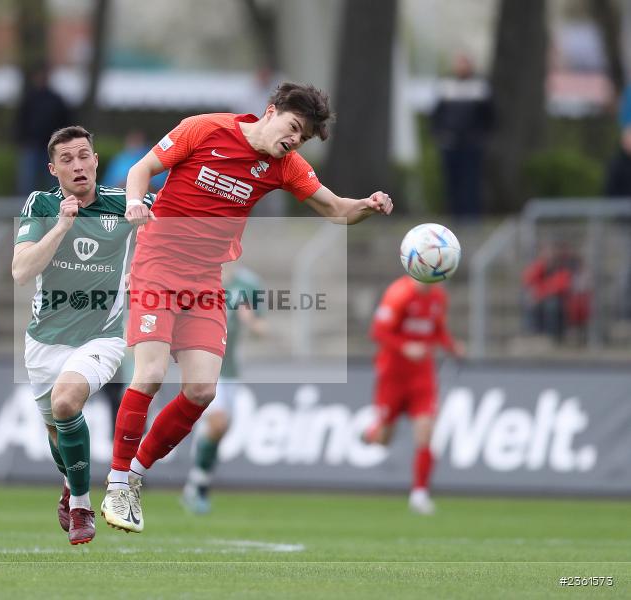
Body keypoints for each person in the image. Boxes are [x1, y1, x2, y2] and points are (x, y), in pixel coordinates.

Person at [102, 82, 394, 533]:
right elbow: (142, 169)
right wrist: (138, 203)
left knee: (202, 393)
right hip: (157, 264)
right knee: (151, 372)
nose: (296, 140)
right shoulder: (204, 129)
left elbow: (336, 210)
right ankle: (117, 480)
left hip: (205, 281)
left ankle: (136, 475)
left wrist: (367, 205)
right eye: (294, 128)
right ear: (271, 111)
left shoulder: (285, 166)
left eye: (303, 137)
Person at [12, 125, 154, 545]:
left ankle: (80, 506)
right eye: (67, 159)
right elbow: (21, 272)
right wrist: (59, 227)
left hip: (102, 338)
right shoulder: (41, 204)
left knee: (66, 401)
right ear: (53, 168)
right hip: (44, 341)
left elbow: (181, 218)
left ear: (96, 160)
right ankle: (69, 482)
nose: (78, 165)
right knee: (58, 436)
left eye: (84, 155)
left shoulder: (123, 203)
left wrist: (144, 259)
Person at [362, 275, 465, 515]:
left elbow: (437, 330)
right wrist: (405, 347)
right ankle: (370, 434)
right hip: (393, 376)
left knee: (426, 431)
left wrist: (452, 345)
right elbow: (378, 332)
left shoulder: (439, 296)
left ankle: (419, 494)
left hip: (422, 377)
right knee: (384, 437)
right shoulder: (399, 294)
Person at [181, 264, 267, 514]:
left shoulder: (248, 284)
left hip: (230, 372)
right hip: (202, 366)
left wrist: (250, 320)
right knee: (218, 422)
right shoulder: (195, 277)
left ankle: (197, 484)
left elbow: (263, 329)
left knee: (220, 430)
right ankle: (197, 486)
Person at [430, 52, 493, 217]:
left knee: (471, 182)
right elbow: (437, 115)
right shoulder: (446, 85)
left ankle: (472, 216)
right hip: (450, 143)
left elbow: (489, 116)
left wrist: (481, 137)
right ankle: (455, 215)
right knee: (452, 182)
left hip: (472, 144)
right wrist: (440, 135)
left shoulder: (480, 87)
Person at [14, 64, 72, 195]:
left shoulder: (56, 100)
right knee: (28, 183)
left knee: (53, 181)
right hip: (32, 146)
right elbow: (20, 121)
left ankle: (54, 209)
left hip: (51, 148)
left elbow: (65, 123)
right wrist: (22, 141)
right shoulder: (29, 99)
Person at [102, 130, 168, 191]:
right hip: (118, 196)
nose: (133, 144)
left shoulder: (154, 158)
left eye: (137, 141)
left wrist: (133, 185)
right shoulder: (119, 158)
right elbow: (108, 183)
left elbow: (159, 185)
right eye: (131, 140)